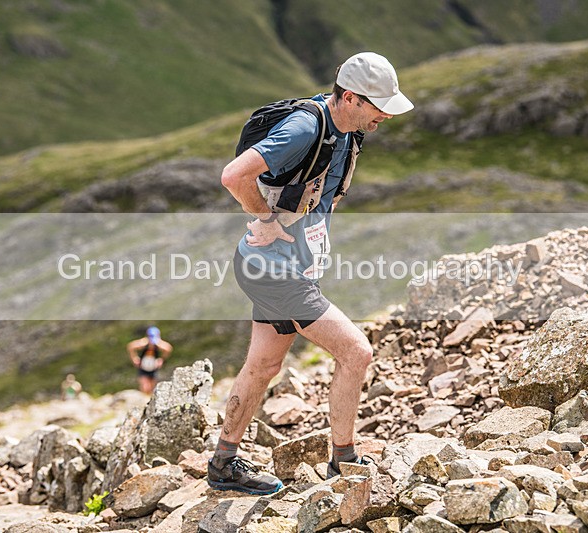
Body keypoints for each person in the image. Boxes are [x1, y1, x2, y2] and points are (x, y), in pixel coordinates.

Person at [208, 52, 414, 495]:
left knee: (263, 365)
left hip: (287, 268)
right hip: (275, 271)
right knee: (357, 353)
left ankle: (224, 463)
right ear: (352, 97)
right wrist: (266, 219)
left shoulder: (349, 131)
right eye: (378, 106)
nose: (384, 116)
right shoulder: (305, 128)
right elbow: (233, 175)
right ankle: (344, 461)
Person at [127, 326, 173, 395]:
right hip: (143, 367)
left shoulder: (158, 344)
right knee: (145, 386)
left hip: (153, 367)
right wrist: (134, 358)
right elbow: (131, 346)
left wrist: (161, 359)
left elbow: (168, 348)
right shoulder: (143, 343)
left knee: (152, 387)